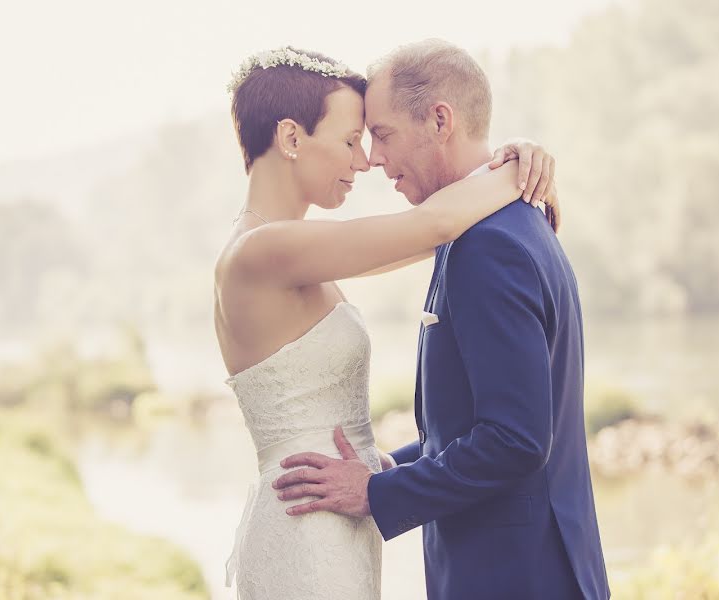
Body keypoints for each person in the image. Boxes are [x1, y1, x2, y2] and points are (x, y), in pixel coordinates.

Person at [215, 45, 559, 599]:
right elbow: (435, 225)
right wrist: (519, 168)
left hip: (334, 511)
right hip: (305, 521)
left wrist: (507, 160)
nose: (363, 161)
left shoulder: (299, 253)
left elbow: (435, 232)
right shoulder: (263, 250)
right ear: (291, 138)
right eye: (351, 140)